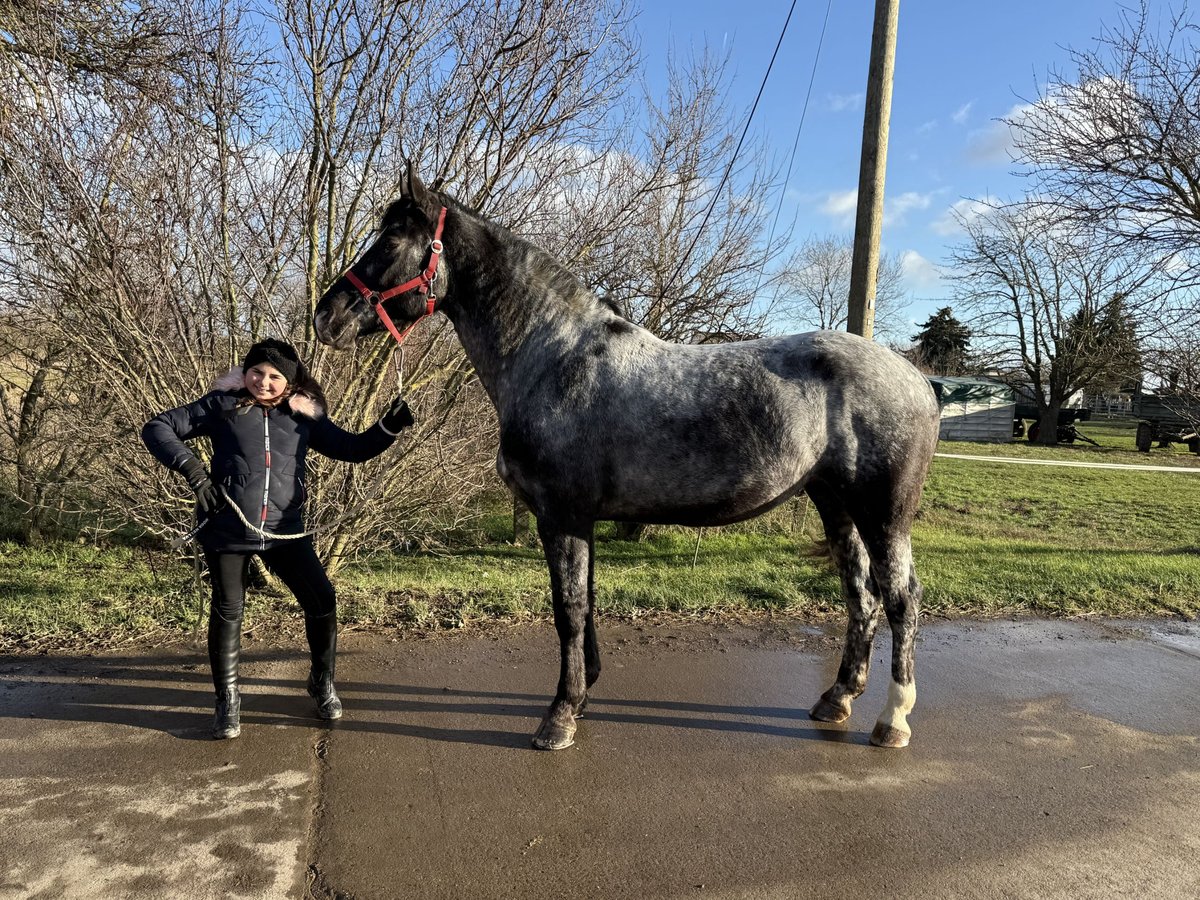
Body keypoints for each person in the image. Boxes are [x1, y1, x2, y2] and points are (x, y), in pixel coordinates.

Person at [142, 338, 413, 740]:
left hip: (285, 532)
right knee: (229, 609)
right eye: (256, 373)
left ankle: (321, 683)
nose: (263, 382)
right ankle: (227, 701)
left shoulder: (303, 416)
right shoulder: (222, 405)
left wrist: (388, 426)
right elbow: (157, 427)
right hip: (228, 530)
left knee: (322, 599)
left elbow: (352, 448)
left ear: (289, 381)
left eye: (274, 376)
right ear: (245, 372)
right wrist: (195, 474)